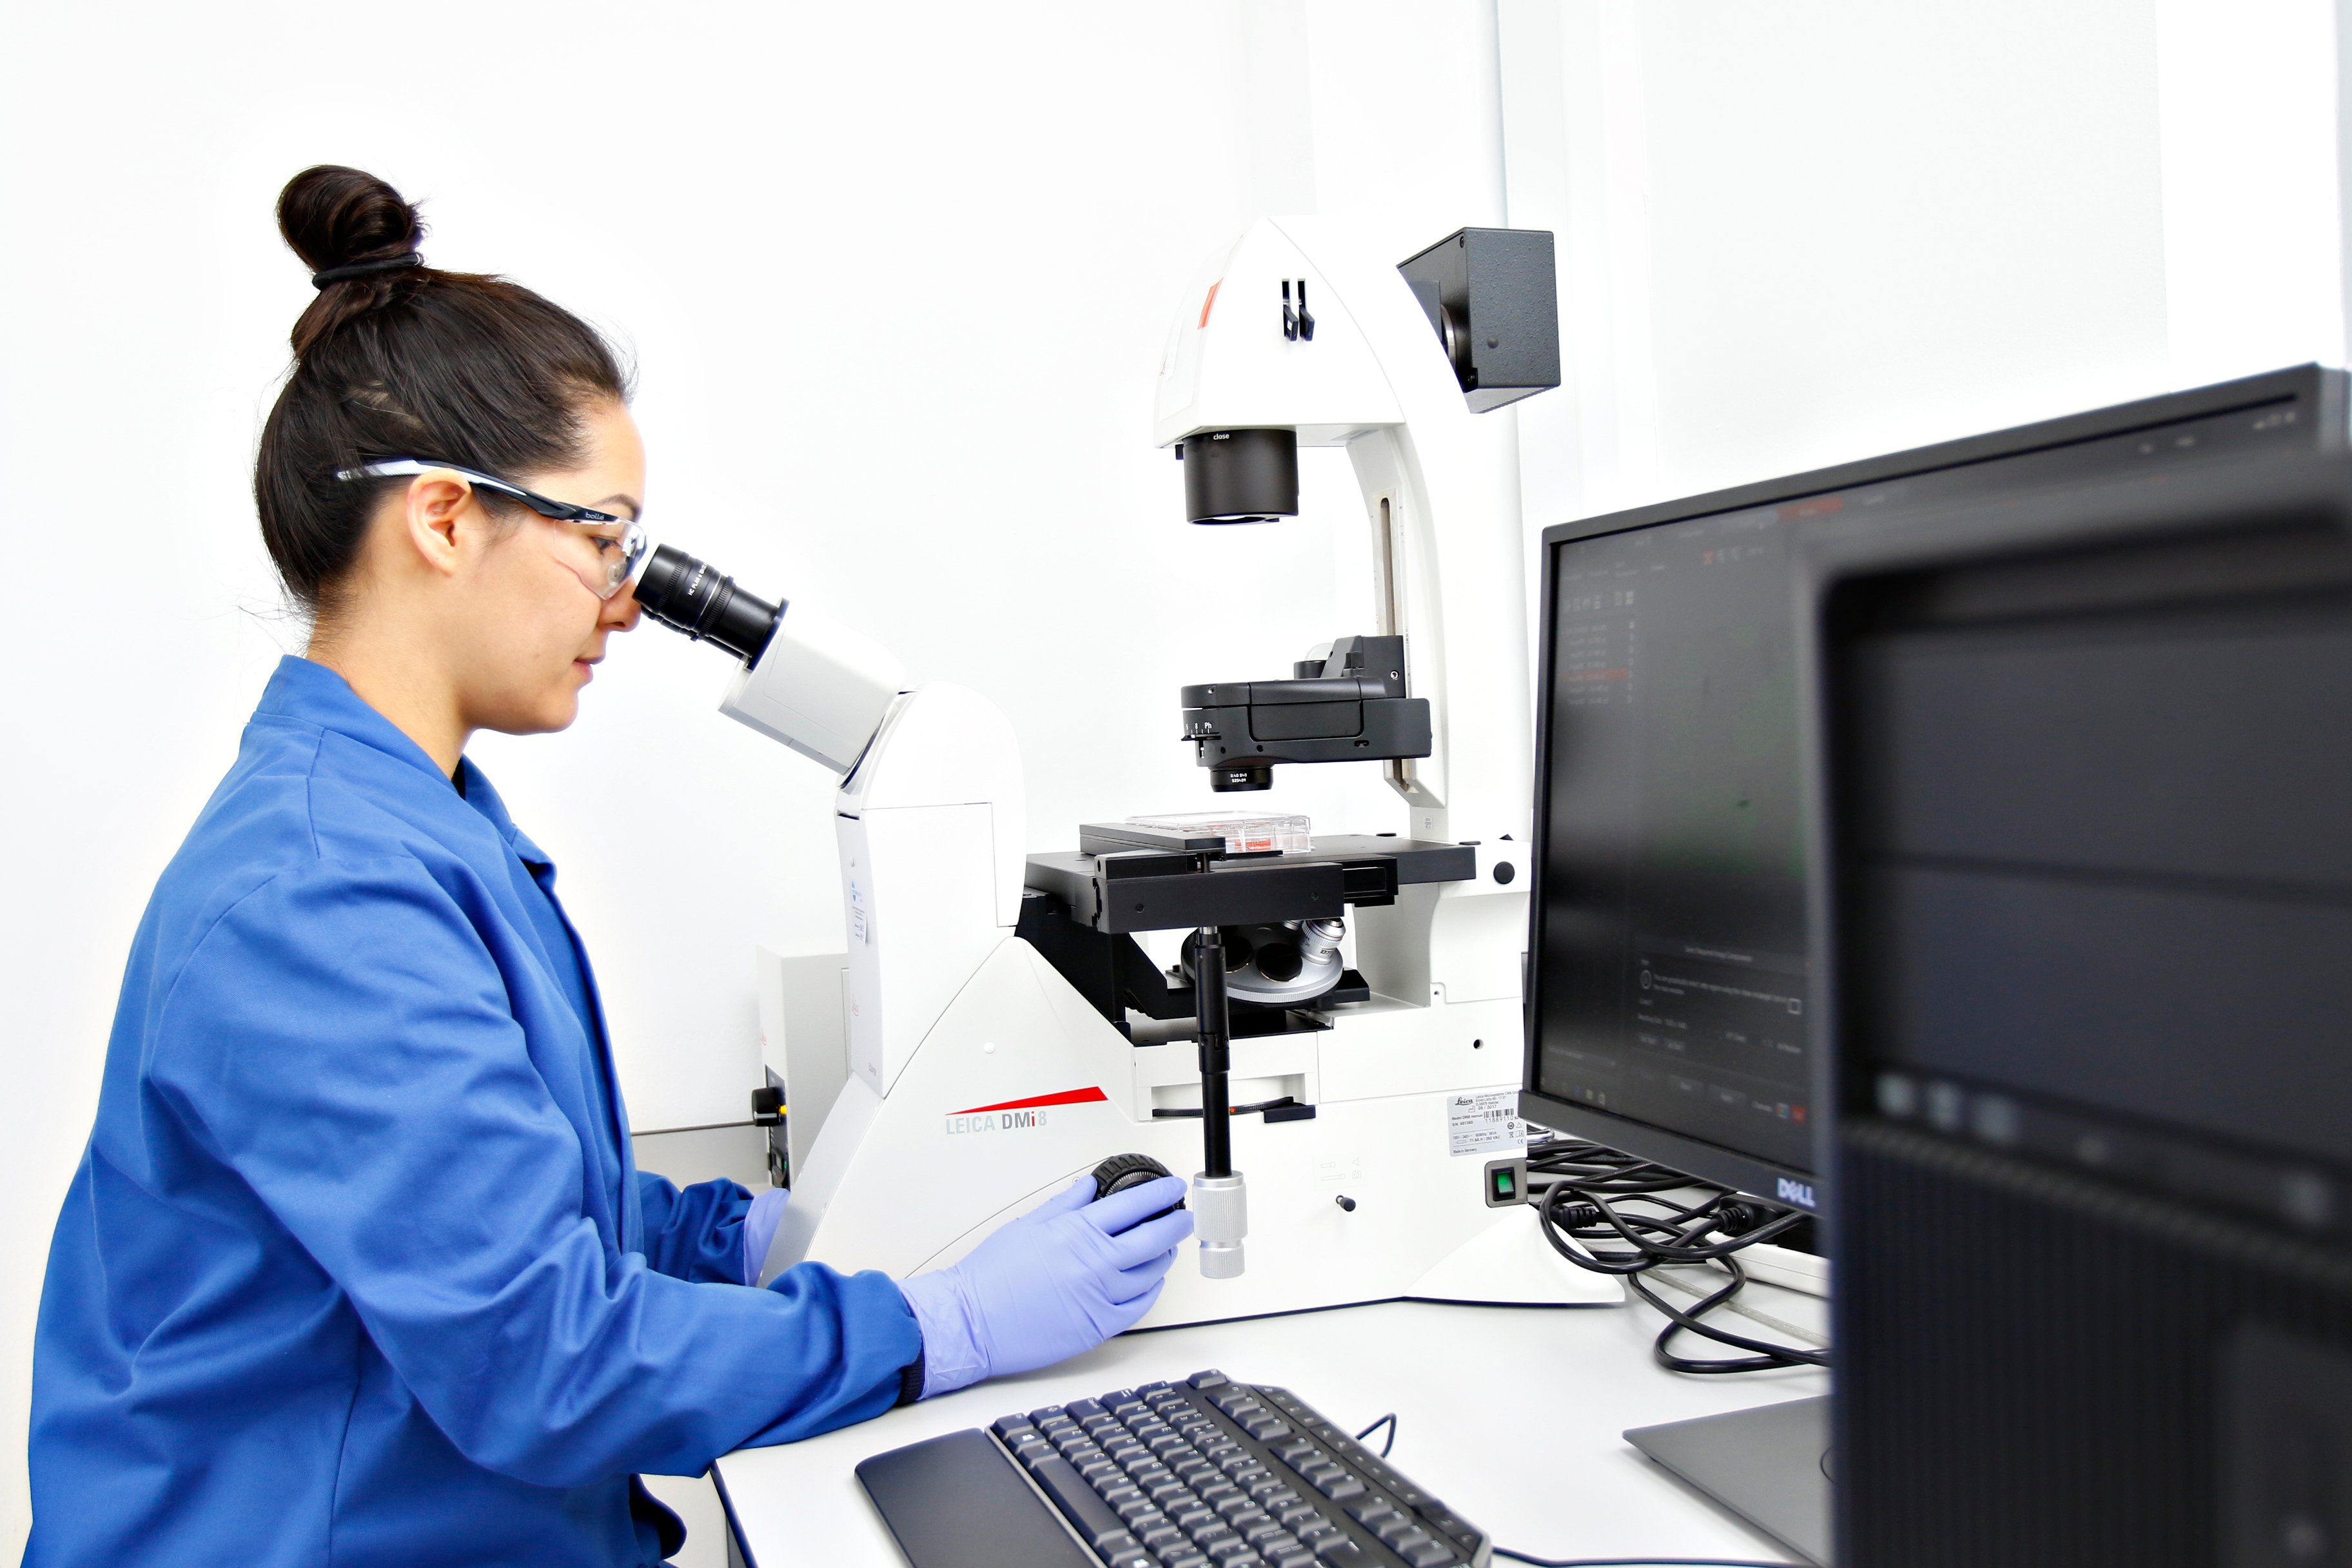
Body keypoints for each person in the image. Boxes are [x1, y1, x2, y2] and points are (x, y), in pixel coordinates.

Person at [21, 166, 1193, 1568]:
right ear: (446, 519)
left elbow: (513, 1203)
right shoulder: (323, 892)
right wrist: (940, 1327)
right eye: (605, 536)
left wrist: (740, 1237)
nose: (629, 601)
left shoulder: (419, 823)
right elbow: (545, 1359)